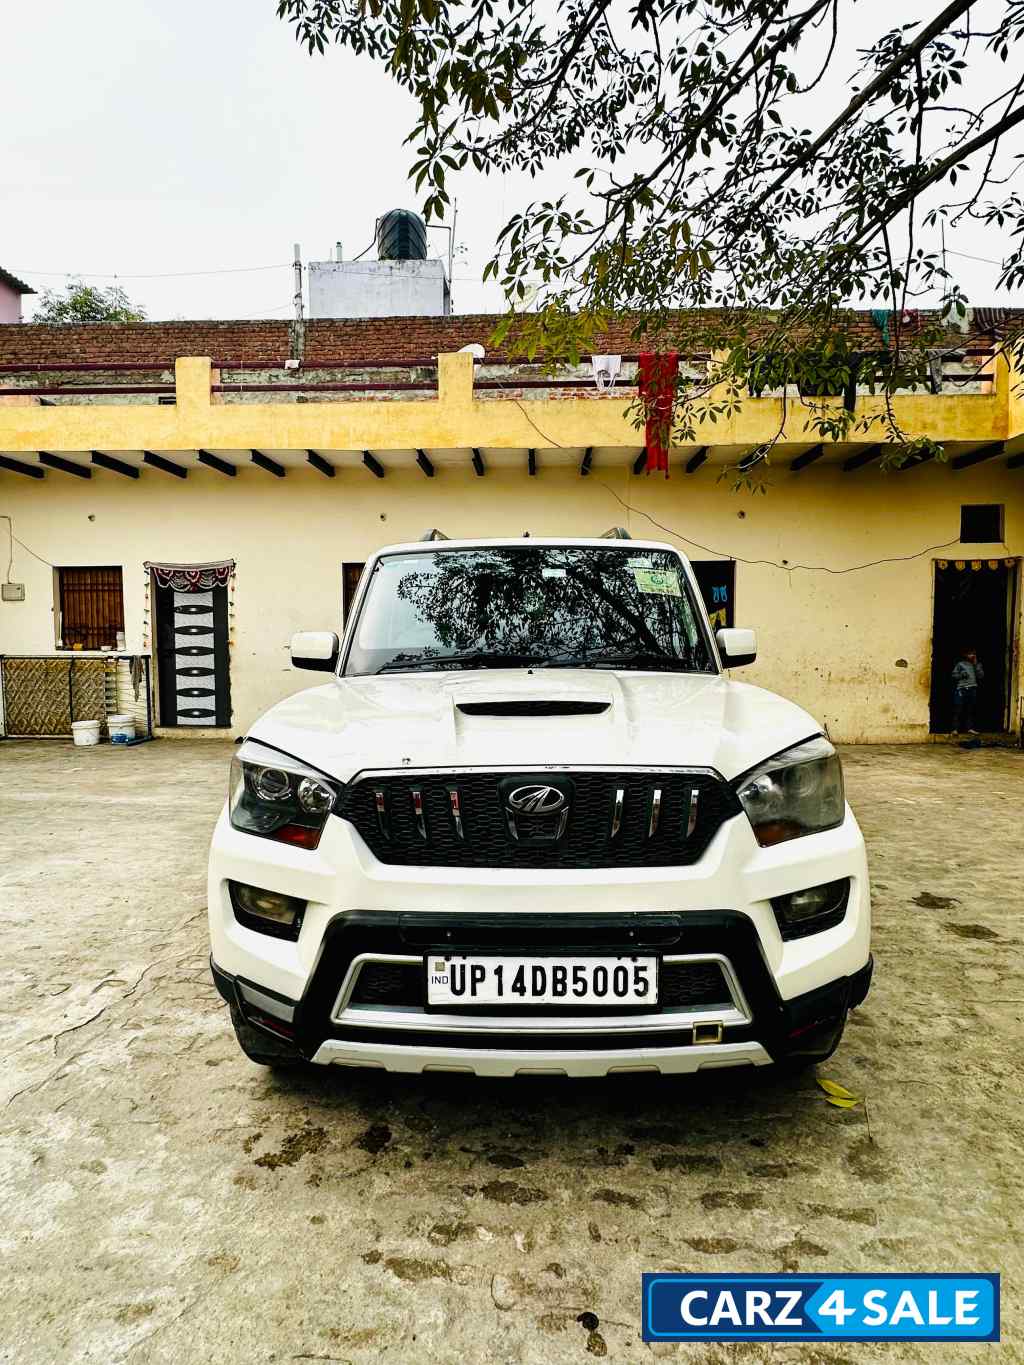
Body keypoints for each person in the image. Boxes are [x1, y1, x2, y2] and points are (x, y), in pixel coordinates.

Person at [951, 647, 984, 734]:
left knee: (970, 709)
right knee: (958, 708)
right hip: (961, 689)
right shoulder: (960, 664)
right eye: (970, 654)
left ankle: (970, 728)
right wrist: (961, 675)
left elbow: (980, 676)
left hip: (972, 688)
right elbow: (953, 675)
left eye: (973, 654)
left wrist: (976, 664)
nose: (972, 655)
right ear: (965, 655)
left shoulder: (977, 665)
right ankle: (955, 729)